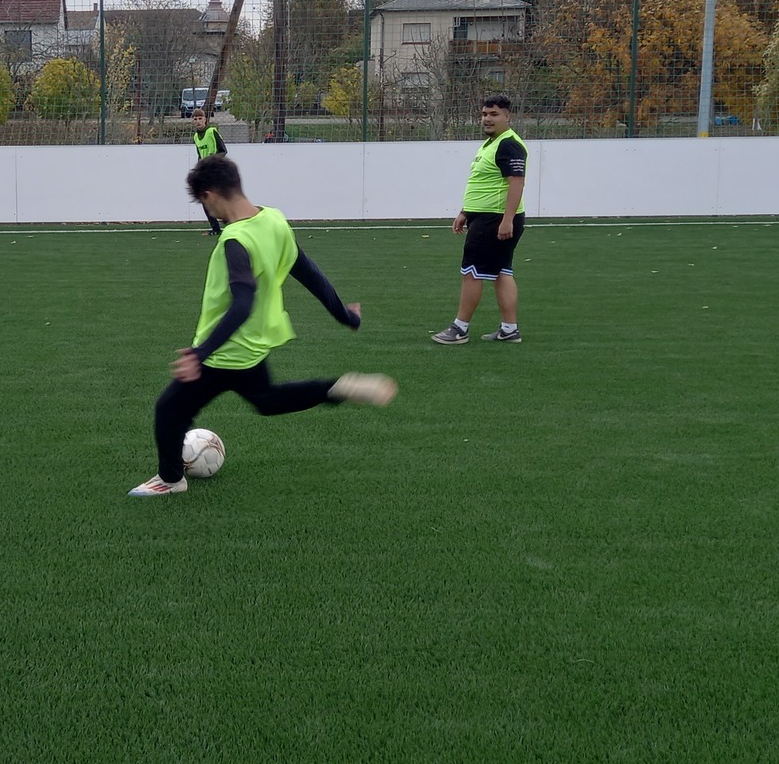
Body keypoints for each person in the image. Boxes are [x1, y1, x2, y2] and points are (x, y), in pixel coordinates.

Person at [129, 155, 396, 497]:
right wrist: (345, 315)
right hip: (253, 347)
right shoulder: (274, 220)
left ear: (210, 195)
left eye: (203, 204)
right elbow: (308, 272)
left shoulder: (235, 239)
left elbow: (243, 302)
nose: (209, 211)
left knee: (169, 409)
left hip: (223, 351)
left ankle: (170, 479)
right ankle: (336, 388)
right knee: (267, 400)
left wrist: (200, 353)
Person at [432, 94, 528, 345]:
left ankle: (459, 329)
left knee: (472, 273)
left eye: (494, 114)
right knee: (501, 272)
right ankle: (509, 329)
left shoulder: (508, 144)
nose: (487, 119)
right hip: (489, 218)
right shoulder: (491, 144)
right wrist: (466, 212)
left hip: (493, 221)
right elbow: (484, 183)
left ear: (508, 116)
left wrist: (507, 219)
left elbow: (516, 183)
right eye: (484, 114)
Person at [192, 108, 227, 234]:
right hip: (206, 172)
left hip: (216, 170)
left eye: (200, 118)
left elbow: (223, 150)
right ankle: (215, 228)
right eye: (195, 119)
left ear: (205, 119)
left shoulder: (212, 131)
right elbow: (200, 155)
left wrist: (212, 161)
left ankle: (230, 223)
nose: (198, 121)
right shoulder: (196, 137)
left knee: (219, 199)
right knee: (205, 199)